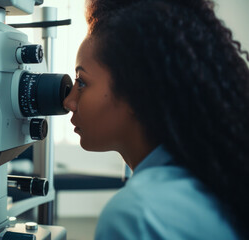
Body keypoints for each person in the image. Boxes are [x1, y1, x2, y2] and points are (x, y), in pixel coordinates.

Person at [63, 0, 249, 239]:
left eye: (82, 83)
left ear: (136, 91)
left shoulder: (136, 215)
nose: (69, 102)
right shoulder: (219, 180)